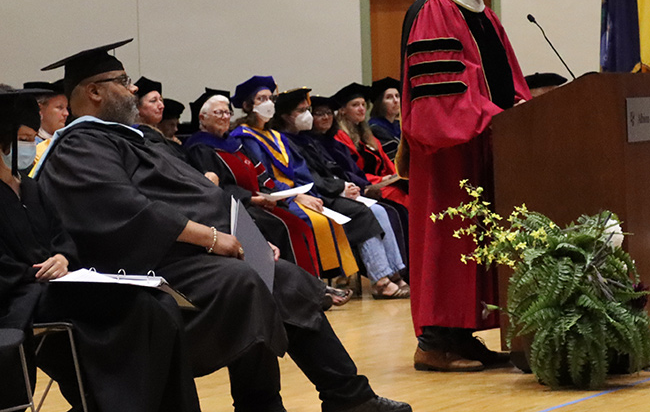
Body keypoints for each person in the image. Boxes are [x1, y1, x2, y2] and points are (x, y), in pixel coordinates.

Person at [34, 41, 410, 412]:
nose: (133, 88)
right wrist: (214, 239)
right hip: (142, 269)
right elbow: (127, 210)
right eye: (123, 80)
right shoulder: (80, 146)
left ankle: (350, 397)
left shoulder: (137, 138)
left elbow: (200, 192)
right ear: (95, 91)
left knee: (283, 279)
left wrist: (249, 238)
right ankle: (261, 404)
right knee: (245, 283)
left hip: (187, 257)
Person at [0, 87, 200, 412]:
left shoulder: (31, 188)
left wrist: (62, 257)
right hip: (17, 297)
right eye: (24, 138)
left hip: (56, 286)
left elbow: (63, 240)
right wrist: (38, 272)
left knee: (162, 303)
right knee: (140, 308)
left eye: (31, 137)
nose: (29, 146)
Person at [400, 0, 531, 372]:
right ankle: (435, 341)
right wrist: (489, 118)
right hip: (451, 149)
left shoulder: (483, 14)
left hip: (483, 143)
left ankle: (462, 335)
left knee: (476, 241)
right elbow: (441, 90)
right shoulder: (436, 8)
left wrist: (521, 115)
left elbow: (509, 78)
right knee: (449, 240)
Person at [273, 88, 408, 299]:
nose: (310, 115)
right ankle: (380, 279)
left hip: (329, 191)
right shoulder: (285, 141)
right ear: (285, 116)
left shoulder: (306, 139)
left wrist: (345, 186)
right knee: (362, 212)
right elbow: (309, 177)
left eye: (309, 110)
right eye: (303, 110)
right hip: (313, 195)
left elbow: (329, 171)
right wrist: (340, 188)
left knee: (381, 211)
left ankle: (395, 272)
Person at [230, 76, 361, 278]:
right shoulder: (244, 137)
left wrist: (308, 192)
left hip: (297, 194)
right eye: (261, 99)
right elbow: (262, 176)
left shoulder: (277, 136)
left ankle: (328, 279)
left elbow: (300, 171)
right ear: (248, 106)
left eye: (271, 98)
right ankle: (312, 282)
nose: (268, 103)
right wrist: (294, 197)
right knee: (311, 221)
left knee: (326, 218)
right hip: (274, 196)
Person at [184, 93, 321, 278]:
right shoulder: (200, 147)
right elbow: (217, 187)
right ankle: (294, 288)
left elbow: (260, 172)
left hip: (259, 200)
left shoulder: (233, 143)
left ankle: (312, 285)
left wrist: (273, 194)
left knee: (298, 223)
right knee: (282, 227)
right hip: (237, 206)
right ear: (202, 117)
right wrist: (252, 199)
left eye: (227, 112)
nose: (225, 117)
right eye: (218, 113)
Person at [332, 82, 409, 212]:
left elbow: (386, 163)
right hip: (364, 186)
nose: (362, 109)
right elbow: (351, 170)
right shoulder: (340, 136)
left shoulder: (367, 135)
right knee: (403, 200)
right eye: (355, 105)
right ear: (343, 110)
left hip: (382, 184)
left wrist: (395, 176)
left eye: (363, 104)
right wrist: (381, 180)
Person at [134, 76, 187, 161]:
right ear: (137, 107)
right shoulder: (138, 136)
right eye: (153, 101)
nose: (161, 106)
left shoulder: (158, 135)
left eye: (161, 100)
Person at [367, 77, 401, 160]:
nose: (396, 100)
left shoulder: (398, 125)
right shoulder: (375, 128)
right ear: (380, 103)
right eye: (389, 97)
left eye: (397, 96)